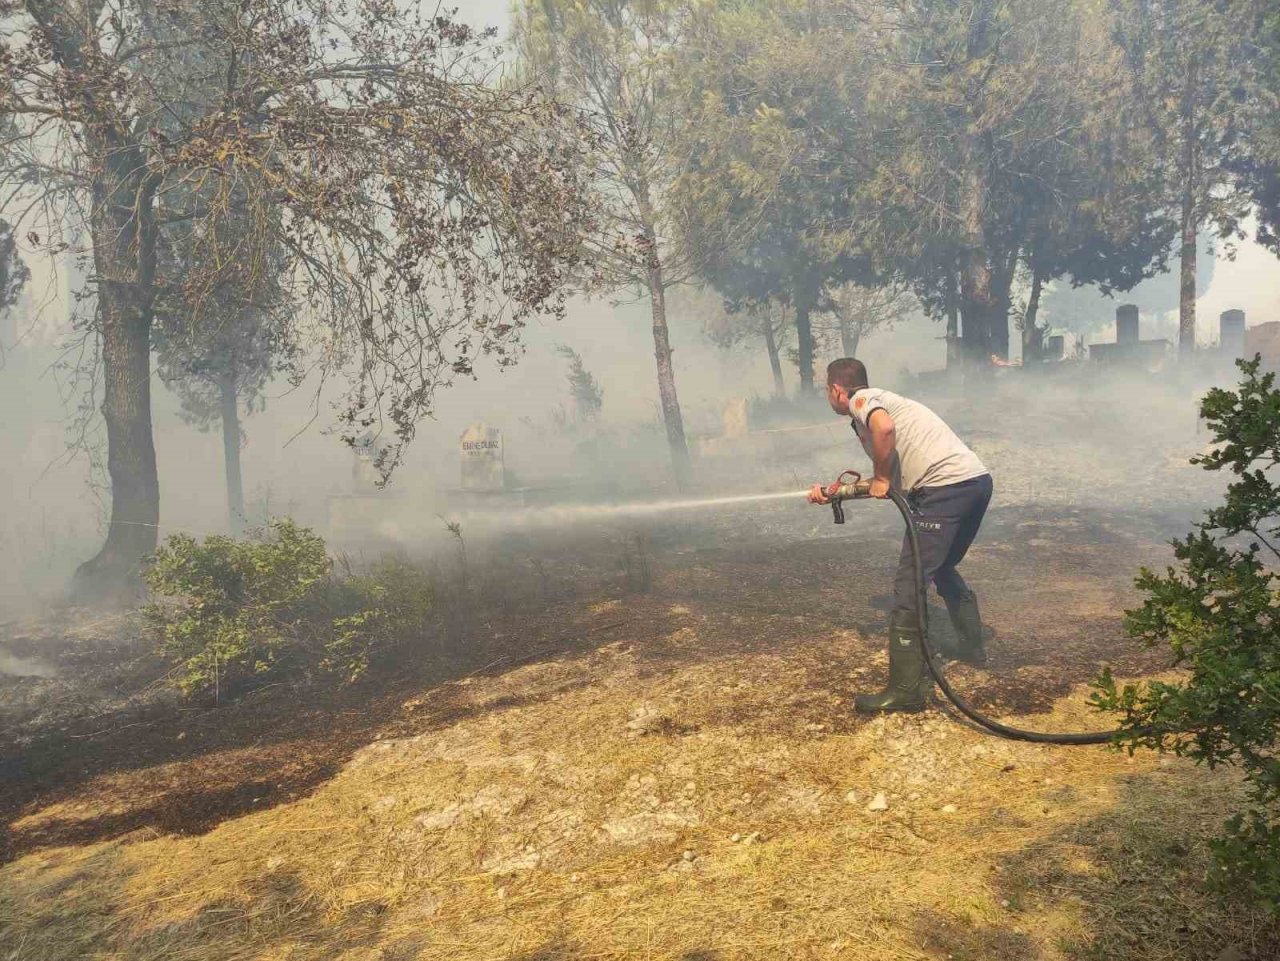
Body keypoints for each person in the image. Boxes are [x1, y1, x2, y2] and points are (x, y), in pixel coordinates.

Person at [808, 358, 993, 713]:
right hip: (974, 482)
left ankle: (906, 691)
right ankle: (972, 648)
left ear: (836, 389)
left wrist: (880, 478)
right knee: (940, 566)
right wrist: (835, 493)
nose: (828, 397)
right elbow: (889, 483)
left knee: (910, 582)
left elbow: (884, 433)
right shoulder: (883, 404)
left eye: (826, 391)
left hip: (945, 488)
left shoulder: (862, 400)